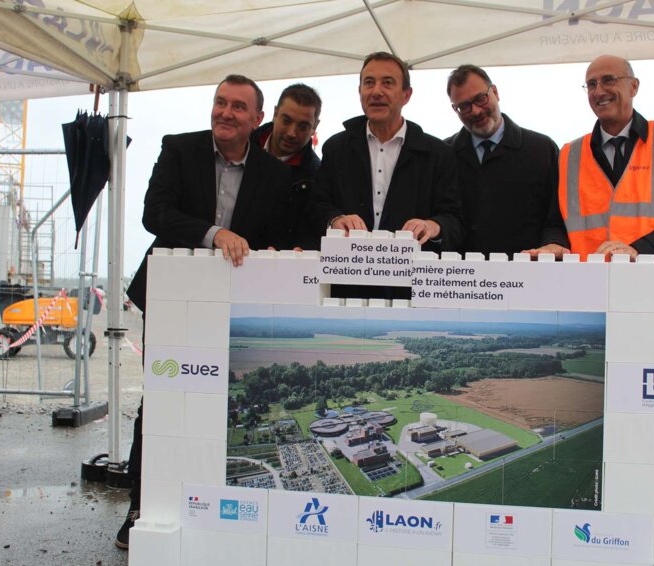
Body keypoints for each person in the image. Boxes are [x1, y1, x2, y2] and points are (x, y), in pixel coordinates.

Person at [118, 74, 292, 549]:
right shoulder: (179, 149)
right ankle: (140, 503)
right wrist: (213, 234)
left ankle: (212, 506)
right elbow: (155, 214)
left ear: (258, 120)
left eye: (238, 107)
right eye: (220, 103)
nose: (225, 113)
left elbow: (277, 232)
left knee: (218, 403)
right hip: (174, 299)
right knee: (161, 398)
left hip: (234, 308)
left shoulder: (274, 174)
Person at [309, 52, 464, 298]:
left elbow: (454, 219)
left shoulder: (437, 154)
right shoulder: (336, 148)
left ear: (406, 95)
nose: (376, 91)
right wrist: (334, 219)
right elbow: (317, 204)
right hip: (343, 289)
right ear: (359, 91)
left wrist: (433, 226)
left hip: (409, 293)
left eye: (387, 83)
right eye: (369, 83)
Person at [559, 54, 654, 260]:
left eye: (609, 80)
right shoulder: (569, 154)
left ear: (634, 87)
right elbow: (555, 223)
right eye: (591, 84)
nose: (598, 91)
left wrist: (643, 249)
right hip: (592, 283)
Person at [444, 64, 568, 258]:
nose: (475, 111)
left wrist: (553, 244)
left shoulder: (542, 149)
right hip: (463, 280)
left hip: (526, 275)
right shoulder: (445, 155)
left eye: (480, 99)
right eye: (464, 106)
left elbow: (557, 215)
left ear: (495, 92)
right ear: (455, 110)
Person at [252, 83, 322, 250]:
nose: (292, 132)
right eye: (286, 120)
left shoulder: (317, 176)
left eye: (303, 126)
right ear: (275, 113)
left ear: (315, 127)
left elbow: (312, 230)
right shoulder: (241, 148)